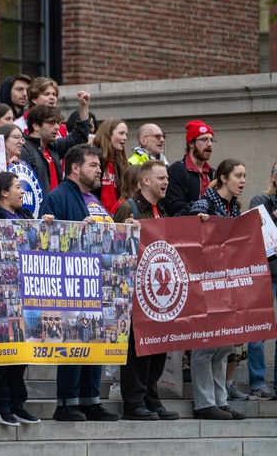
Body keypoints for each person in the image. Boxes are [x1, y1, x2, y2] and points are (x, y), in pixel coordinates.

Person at [40, 143, 121, 422]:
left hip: (97, 282)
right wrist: (77, 230)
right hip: (71, 284)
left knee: (94, 342)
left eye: (99, 166)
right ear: (75, 168)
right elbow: (45, 241)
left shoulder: (96, 200)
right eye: (93, 165)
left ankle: (91, 401)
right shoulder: (58, 197)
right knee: (73, 344)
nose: (100, 170)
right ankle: (66, 403)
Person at [0, 172, 51, 426]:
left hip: (25, 296)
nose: (22, 192)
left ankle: (16, 405)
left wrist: (46, 228)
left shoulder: (27, 217)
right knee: (2, 355)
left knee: (21, 355)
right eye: (18, 187)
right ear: (4, 192)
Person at [113, 160, 180, 420]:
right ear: (145, 181)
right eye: (161, 178)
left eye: (166, 178)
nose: (166, 182)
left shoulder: (159, 210)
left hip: (157, 293)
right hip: (133, 292)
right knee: (137, 350)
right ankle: (133, 402)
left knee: (157, 347)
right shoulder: (127, 208)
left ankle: (152, 399)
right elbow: (115, 247)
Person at [187, 159, 248, 420]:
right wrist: (198, 222)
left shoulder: (234, 208)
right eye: (238, 175)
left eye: (244, 176)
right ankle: (204, 403)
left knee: (223, 345)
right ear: (223, 177)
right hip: (205, 286)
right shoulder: (204, 203)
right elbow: (188, 236)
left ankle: (220, 400)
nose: (243, 180)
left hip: (226, 284)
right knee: (205, 347)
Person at [246, 160, 277, 401]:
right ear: (273, 176)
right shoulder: (260, 201)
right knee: (257, 331)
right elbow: (256, 235)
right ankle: (257, 383)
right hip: (264, 273)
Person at [19, 95, 91, 197]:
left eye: (57, 123)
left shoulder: (53, 147)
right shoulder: (24, 149)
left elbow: (79, 137)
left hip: (55, 207)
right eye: (51, 123)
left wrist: (83, 106)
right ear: (36, 126)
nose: (57, 127)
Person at [164, 120, 216, 216]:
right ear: (191, 143)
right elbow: (174, 206)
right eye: (204, 139)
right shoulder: (177, 170)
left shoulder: (212, 173)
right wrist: (201, 208)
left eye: (211, 140)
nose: (209, 144)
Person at [91, 118, 129, 213]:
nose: (125, 138)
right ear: (108, 134)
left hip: (115, 217)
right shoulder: (93, 159)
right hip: (96, 216)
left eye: (126, 134)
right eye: (121, 133)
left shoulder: (121, 163)